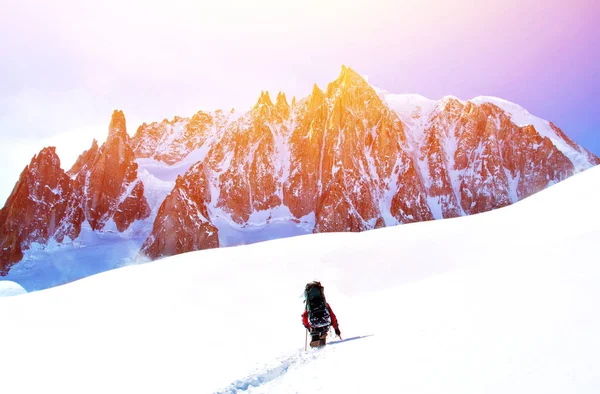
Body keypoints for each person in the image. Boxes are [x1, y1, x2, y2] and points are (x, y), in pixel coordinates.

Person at [302, 281, 341, 347]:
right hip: (325, 323)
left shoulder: (309, 306)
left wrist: (308, 327)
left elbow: (304, 317)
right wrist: (336, 328)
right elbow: (332, 316)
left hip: (314, 325)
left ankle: (315, 337)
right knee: (324, 326)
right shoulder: (324, 304)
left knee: (314, 328)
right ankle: (323, 335)